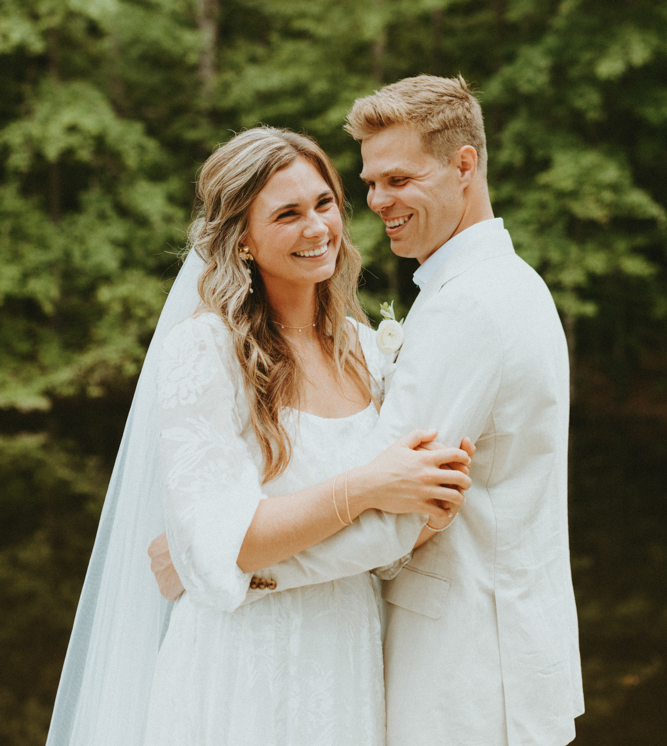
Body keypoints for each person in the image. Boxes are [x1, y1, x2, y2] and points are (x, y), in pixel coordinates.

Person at [152, 74, 584, 746]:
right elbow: (387, 502)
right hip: (257, 664)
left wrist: (220, 564)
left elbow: (397, 519)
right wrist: (219, 551)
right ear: (240, 238)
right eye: (369, 184)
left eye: (396, 180)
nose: (373, 203)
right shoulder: (488, 289)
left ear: (462, 165)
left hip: (455, 662)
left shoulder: (441, 314)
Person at [45, 125, 474, 746]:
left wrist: (426, 510)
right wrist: (370, 485)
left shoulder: (363, 348)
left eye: (325, 203)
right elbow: (231, 545)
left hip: (349, 655)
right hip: (242, 666)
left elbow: (393, 537)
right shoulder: (205, 350)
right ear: (242, 240)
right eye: (288, 214)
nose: (317, 228)